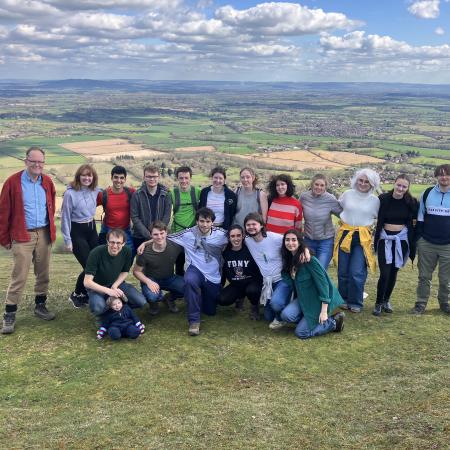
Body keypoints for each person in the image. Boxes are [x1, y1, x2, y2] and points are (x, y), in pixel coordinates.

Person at [0, 147, 56, 334]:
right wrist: (4, 238)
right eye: (34, 161)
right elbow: (3, 212)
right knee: (19, 276)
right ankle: (9, 314)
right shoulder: (12, 182)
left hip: (44, 233)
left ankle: (40, 306)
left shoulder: (47, 181)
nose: (37, 165)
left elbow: (51, 205)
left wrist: (51, 231)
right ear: (26, 162)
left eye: (41, 162)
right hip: (22, 234)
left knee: (43, 273)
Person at [169, 207, 228, 336]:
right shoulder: (187, 234)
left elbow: (237, 237)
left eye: (208, 221)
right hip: (194, 269)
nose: (204, 224)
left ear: (213, 222)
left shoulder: (222, 234)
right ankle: (194, 321)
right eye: (201, 221)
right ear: (197, 221)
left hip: (213, 275)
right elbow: (165, 237)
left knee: (210, 311)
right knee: (189, 280)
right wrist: (145, 244)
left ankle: (195, 298)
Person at [279, 229, 345, 339]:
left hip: (318, 301)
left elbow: (323, 284)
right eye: (287, 240)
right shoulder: (288, 258)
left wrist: (324, 311)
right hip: (304, 299)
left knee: (301, 333)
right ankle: (308, 320)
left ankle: (333, 322)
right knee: (286, 315)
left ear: (300, 242)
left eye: (294, 240)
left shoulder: (310, 260)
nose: (290, 243)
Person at [333, 168, 380, 313]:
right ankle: (343, 299)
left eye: (367, 181)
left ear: (372, 184)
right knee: (343, 270)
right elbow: (337, 207)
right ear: (356, 180)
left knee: (356, 271)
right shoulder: (347, 194)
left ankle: (356, 302)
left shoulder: (375, 200)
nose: (363, 183)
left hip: (363, 237)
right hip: (345, 234)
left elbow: (380, 218)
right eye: (361, 180)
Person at [373, 174, 418, 316]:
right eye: (399, 185)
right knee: (385, 273)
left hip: (401, 241)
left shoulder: (411, 202)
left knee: (393, 272)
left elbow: (415, 221)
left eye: (404, 186)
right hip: (384, 239)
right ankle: (378, 302)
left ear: (408, 187)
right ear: (394, 183)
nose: (401, 188)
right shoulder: (383, 199)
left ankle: (387, 300)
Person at [243, 212, 294, 329]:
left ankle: (287, 309)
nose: (251, 227)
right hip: (267, 282)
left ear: (261, 225)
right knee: (268, 316)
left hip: (282, 279)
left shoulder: (274, 238)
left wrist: (305, 250)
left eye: (254, 224)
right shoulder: (247, 240)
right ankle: (282, 305)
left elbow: (294, 241)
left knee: (276, 304)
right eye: (248, 225)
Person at [412, 164, 450, 315]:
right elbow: (420, 216)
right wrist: (420, 238)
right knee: (424, 276)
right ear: (436, 176)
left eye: (447, 174)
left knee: (445, 278)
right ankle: (421, 304)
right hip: (427, 242)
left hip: (448, 244)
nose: (444, 177)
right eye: (440, 174)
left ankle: (444, 303)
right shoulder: (427, 193)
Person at [84, 228, 146, 319]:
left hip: (116, 284)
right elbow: (87, 282)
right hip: (97, 287)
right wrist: (109, 291)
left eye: (118, 243)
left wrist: (114, 286)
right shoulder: (96, 253)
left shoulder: (127, 251)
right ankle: (113, 308)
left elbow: (125, 271)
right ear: (107, 241)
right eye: (112, 242)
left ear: (124, 243)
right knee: (98, 308)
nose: (115, 246)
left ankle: (117, 306)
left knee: (141, 302)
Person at [61, 164, 100, 308]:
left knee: (97, 262)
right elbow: (65, 217)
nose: (87, 178)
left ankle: (85, 293)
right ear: (79, 176)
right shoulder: (70, 194)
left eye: (89, 175)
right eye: (84, 175)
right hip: (77, 231)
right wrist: (67, 240)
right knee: (89, 266)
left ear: (93, 177)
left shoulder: (95, 190)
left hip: (92, 229)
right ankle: (77, 294)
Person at [133, 221, 184, 315]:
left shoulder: (175, 245)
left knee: (188, 287)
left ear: (166, 233)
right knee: (152, 296)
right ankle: (153, 303)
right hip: (152, 279)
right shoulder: (144, 252)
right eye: (155, 234)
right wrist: (149, 282)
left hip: (170, 278)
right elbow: (136, 271)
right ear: (151, 235)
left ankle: (169, 298)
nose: (159, 237)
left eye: (162, 233)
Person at [219, 224, 263, 320]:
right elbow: (223, 271)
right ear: (229, 238)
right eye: (233, 236)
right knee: (222, 299)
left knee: (252, 291)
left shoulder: (250, 250)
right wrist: (220, 286)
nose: (236, 239)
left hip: (251, 283)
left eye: (238, 235)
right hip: (236, 284)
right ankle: (240, 296)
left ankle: (255, 306)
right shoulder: (225, 253)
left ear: (243, 236)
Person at [299, 174, 342, 269]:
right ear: (312, 184)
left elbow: (343, 215)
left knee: (320, 270)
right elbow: (296, 212)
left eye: (322, 185)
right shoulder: (304, 197)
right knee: (308, 270)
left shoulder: (330, 199)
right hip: (308, 240)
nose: (319, 187)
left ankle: (323, 284)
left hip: (325, 241)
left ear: (325, 187)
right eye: (316, 184)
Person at [131, 164, 172, 251]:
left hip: (160, 237)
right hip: (140, 236)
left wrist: (158, 233)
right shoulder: (137, 195)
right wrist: (148, 234)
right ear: (144, 177)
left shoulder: (166, 194)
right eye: (149, 176)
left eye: (154, 176)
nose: (152, 179)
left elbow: (167, 215)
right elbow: (134, 217)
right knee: (142, 262)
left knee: (159, 262)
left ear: (159, 177)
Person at [97, 165, 135, 252]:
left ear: (125, 179)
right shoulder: (103, 194)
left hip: (126, 229)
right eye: (116, 177)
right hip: (108, 229)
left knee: (130, 251)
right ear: (111, 178)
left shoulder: (131, 192)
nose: (119, 180)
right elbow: (89, 205)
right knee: (107, 255)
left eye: (122, 178)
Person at [171, 166, 200, 276]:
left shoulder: (197, 192)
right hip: (177, 234)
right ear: (177, 179)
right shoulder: (172, 193)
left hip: (193, 233)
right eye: (181, 178)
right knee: (179, 262)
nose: (184, 181)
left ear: (190, 178)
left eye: (186, 178)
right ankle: (179, 288)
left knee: (194, 262)